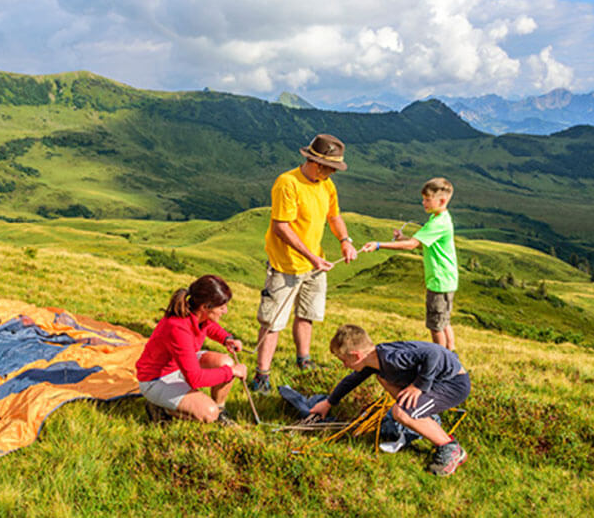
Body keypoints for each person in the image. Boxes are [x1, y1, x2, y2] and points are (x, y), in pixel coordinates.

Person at [250, 134, 358, 394]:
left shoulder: (326, 185)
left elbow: (334, 216)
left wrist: (345, 240)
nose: (333, 172)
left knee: (307, 315)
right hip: (286, 265)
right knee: (273, 321)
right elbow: (280, 227)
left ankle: (304, 361)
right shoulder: (287, 183)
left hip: (315, 264)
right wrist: (311, 257)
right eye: (331, 167)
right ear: (316, 163)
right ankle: (262, 375)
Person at [308, 325, 471, 477]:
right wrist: (329, 402)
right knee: (383, 379)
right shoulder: (374, 360)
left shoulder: (392, 357)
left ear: (356, 356)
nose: (344, 365)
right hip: (437, 383)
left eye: (344, 360)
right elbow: (352, 380)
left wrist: (418, 386)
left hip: (453, 384)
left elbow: (433, 353)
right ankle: (426, 419)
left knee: (401, 412)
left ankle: (451, 448)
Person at [360, 177, 458, 350]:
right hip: (446, 280)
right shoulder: (440, 218)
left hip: (439, 281)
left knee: (435, 326)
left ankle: (441, 361)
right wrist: (402, 238)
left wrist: (378, 245)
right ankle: (451, 354)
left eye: (428, 199)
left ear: (442, 200)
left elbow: (412, 245)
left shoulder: (437, 223)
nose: (423, 202)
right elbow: (418, 242)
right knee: (444, 321)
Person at [136, 274, 246, 424]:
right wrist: (232, 372)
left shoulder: (198, 315)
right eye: (222, 307)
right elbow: (195, 379)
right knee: (209, 412)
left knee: (226, 362)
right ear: (205, 307)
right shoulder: (178, 328)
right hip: (156, 380)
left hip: (180, 366)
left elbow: (209, 326)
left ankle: (220, 412)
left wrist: (226, 338)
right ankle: (161, 407)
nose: (225, 311)